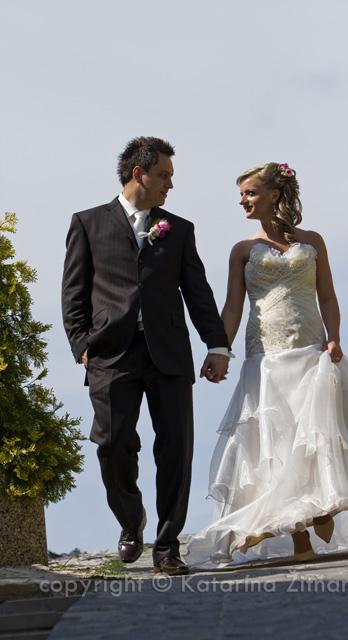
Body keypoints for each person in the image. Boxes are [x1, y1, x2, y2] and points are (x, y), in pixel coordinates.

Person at [185, 162, 348, 568]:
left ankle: (321, 506)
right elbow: (233, 306)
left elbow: (328, 296)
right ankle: (299, 540)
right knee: (275, 444)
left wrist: (334, 336)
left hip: (311, 351)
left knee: (314, 435)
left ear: (274, 194)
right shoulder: (242, 250)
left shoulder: (313, 241)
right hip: (265, 357)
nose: (243, 201)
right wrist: (220, 349)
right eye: (241, 195)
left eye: (250, 193)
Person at [61, 136, 230, 576]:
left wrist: (216, 345)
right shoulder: (87, 223)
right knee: (112, 444)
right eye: (164, 175)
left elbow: (197, 292)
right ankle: (131, 519)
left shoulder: (179, 229)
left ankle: (167, 546)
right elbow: (74, 292)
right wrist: (81, 345)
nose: (170, 184)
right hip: (110, 355)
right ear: (139, 174)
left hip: (168, 354)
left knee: (176, 448)